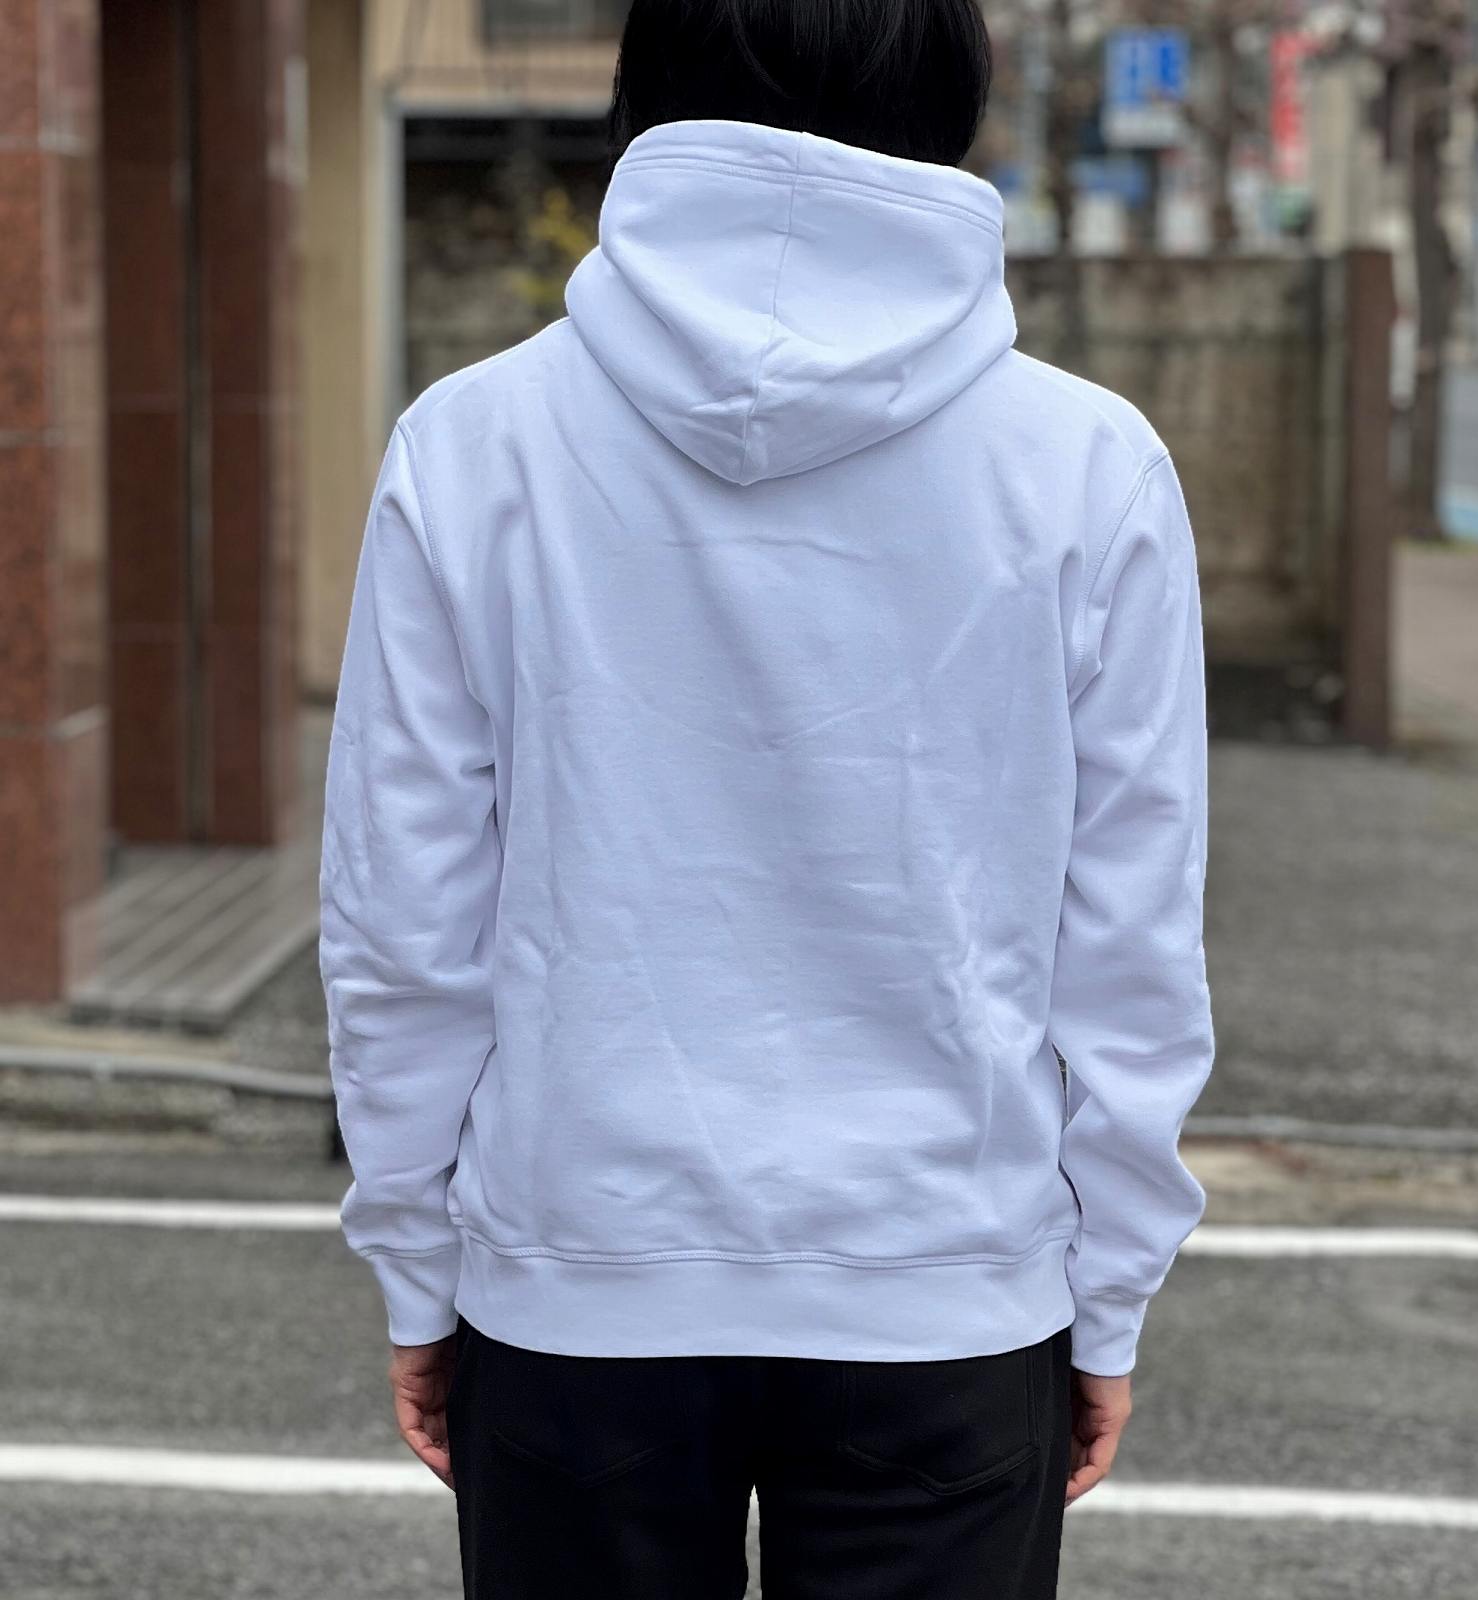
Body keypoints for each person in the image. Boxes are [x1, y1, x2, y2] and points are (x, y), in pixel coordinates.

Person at [318, 1, 1214, 1594]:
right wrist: (1110, 1287)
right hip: (947, 1283)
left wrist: (417, 1255)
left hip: (574, 1277)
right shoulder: (1088, 464)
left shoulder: (473, 446)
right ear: (948, 86)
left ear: (646, 90)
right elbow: (1130, 937)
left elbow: (403, 919)